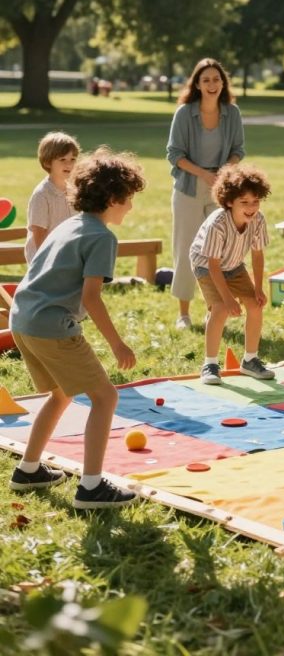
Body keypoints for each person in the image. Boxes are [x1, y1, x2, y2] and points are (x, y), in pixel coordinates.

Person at [9, 147, 146, 509]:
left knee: (60, 394)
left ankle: (29, 469)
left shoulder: (71, 222)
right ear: (114, 198)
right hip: (51, 326)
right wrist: (117, 344)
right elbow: (93, 297)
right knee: (106, 397)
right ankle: (91, 488)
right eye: (128, 199)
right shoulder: (102, 237)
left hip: (22, 319)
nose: (130, 207)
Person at [166, 58, 245, 330]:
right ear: (197, 84)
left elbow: (238, 150)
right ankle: (183, 313)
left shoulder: (232, 113)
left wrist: (223, 173)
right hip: (188, 188)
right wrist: (203, 174)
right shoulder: (185, 113)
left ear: (223, 83)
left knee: (218, 251)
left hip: (220, 189)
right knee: (187, 248)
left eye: (216, 79)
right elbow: (174, 154)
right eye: (206, 80)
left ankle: (216, 308)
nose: (212, 84)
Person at [189, 164, 273, 386]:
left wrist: (257, 288)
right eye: (244, 202)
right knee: (220, 309)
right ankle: (210, 364)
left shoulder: (258, 220)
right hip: (207, 265)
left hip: (234, 265)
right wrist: (227, 298)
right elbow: (213, 265)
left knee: (255, 305)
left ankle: (250, 360)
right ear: (229, 202)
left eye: (255, 201)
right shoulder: (218, 223)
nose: (251, 207)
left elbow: (257, 256)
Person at [25, 132, 81, 263]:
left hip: (69, 256)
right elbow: (39, 233)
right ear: (47, 162)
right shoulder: (42, 195)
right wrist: (48, 261)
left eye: (72, 159)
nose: (69, 164)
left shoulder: (74, 190)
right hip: (46, 260)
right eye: (63, 160)